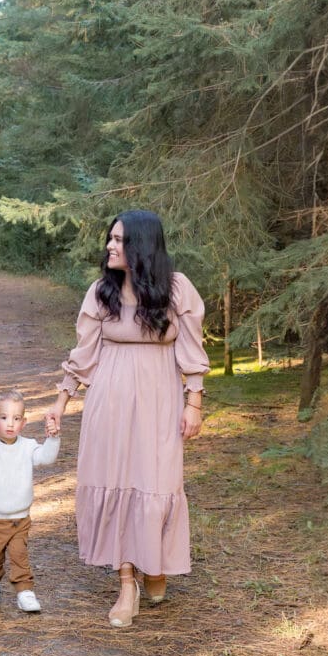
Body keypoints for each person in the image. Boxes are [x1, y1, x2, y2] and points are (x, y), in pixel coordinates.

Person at [44, 209, 209, 628]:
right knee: (115, 481)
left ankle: (154, 562)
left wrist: (194, 402)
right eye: (110, 239)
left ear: (141, 245)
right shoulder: (102, 291)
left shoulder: (176, 289)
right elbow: (83, 355)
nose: (110, 246)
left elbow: (190, 351)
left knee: (155, 482)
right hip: (110, 400)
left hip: (158, 398)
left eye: (119, 240)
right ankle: (126, 583)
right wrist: (61, 401)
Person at [0, 388, 60, 613]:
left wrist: (53, 437)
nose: (10, 424)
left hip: (20, 517)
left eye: (16, 418)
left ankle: (24, 590)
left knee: (20, 554)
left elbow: (45, 458)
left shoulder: (28, 446)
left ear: (24, 422)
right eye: (3, 417)